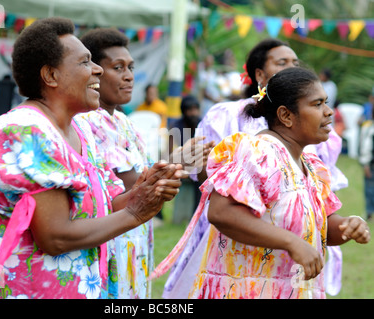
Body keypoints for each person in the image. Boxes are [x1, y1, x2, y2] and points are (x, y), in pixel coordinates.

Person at [0, 17, 184, 299]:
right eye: (85, 62)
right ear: (51, 76)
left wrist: (148, 189)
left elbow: (107, 205)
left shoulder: (80, 129)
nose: (96, 71)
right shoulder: (25, 129)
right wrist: (136, 212)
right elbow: (55, 237)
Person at [153, 67, 371, 299]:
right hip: (246, 290)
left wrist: (348, 226)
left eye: (326, 103)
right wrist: (291, 242)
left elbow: (322, 227)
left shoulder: (311, 165)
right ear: (286, 115)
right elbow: (220, 213)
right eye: (317, 104)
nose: (328, 112)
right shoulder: (257, 152)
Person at [78, 28, 212, 299]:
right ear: (93, 72)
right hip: (111, 240)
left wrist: (179, 163)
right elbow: (133, 187)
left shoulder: (125, 122)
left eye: (131, 67)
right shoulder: (88, 120)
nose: (129, 76)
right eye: (118, 67)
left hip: (133, 239)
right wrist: (176, 163)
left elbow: (144, 174)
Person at [169, 95, 202, 224]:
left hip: (197, 164)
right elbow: (170, 151)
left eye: (195, 109)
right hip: (180, 164)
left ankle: (196, 216)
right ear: (184, 111)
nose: (193, 113)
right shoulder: (175, 126)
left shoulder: (201, 123)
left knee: (200, 176)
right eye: (190, 110)